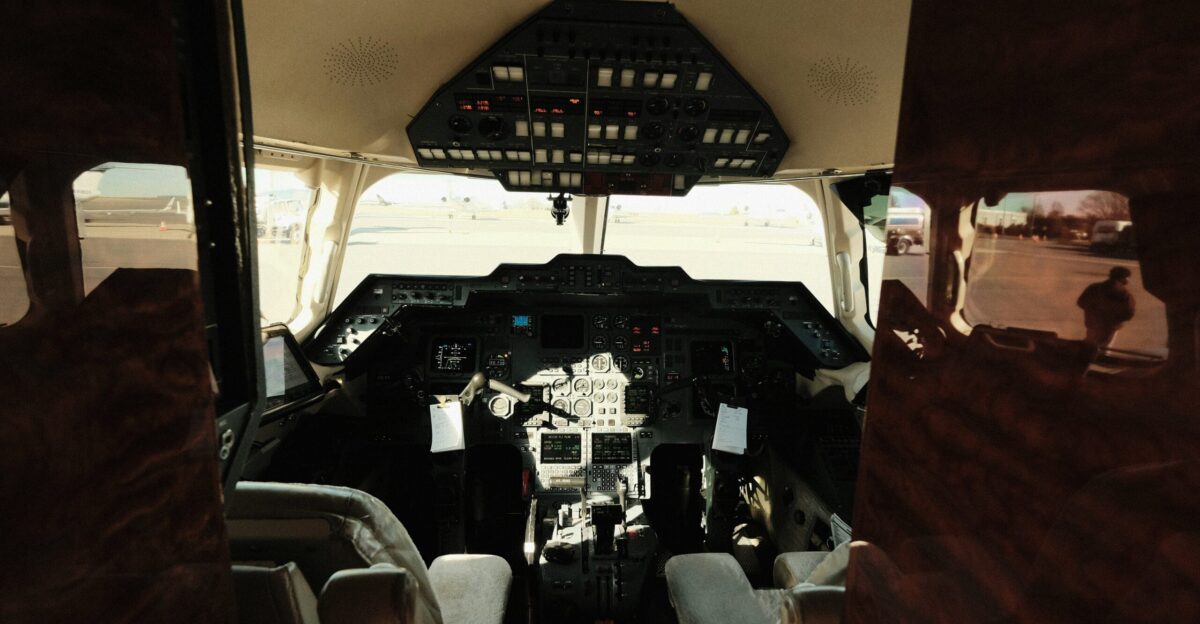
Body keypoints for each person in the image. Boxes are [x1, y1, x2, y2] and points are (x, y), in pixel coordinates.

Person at [1076, 266, 1136, 350]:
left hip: (1092, 324)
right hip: (1110, 328)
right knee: (1103, 350)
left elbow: (1081, 302)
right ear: (1124, 278)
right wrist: (1114, 319)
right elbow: (1129, 313)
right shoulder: (1124, 293)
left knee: (1088, 346)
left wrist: (1092, 312)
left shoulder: (1094, 287)